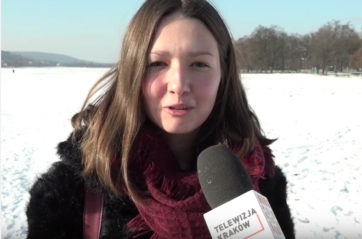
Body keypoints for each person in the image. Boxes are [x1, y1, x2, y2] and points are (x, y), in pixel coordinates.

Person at [26, 0, 295, 238]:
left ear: (223, 74)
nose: (178, 84)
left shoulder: (260, 183)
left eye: (199, 64)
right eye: (157, 64)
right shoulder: (68, 192)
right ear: (132, 73)